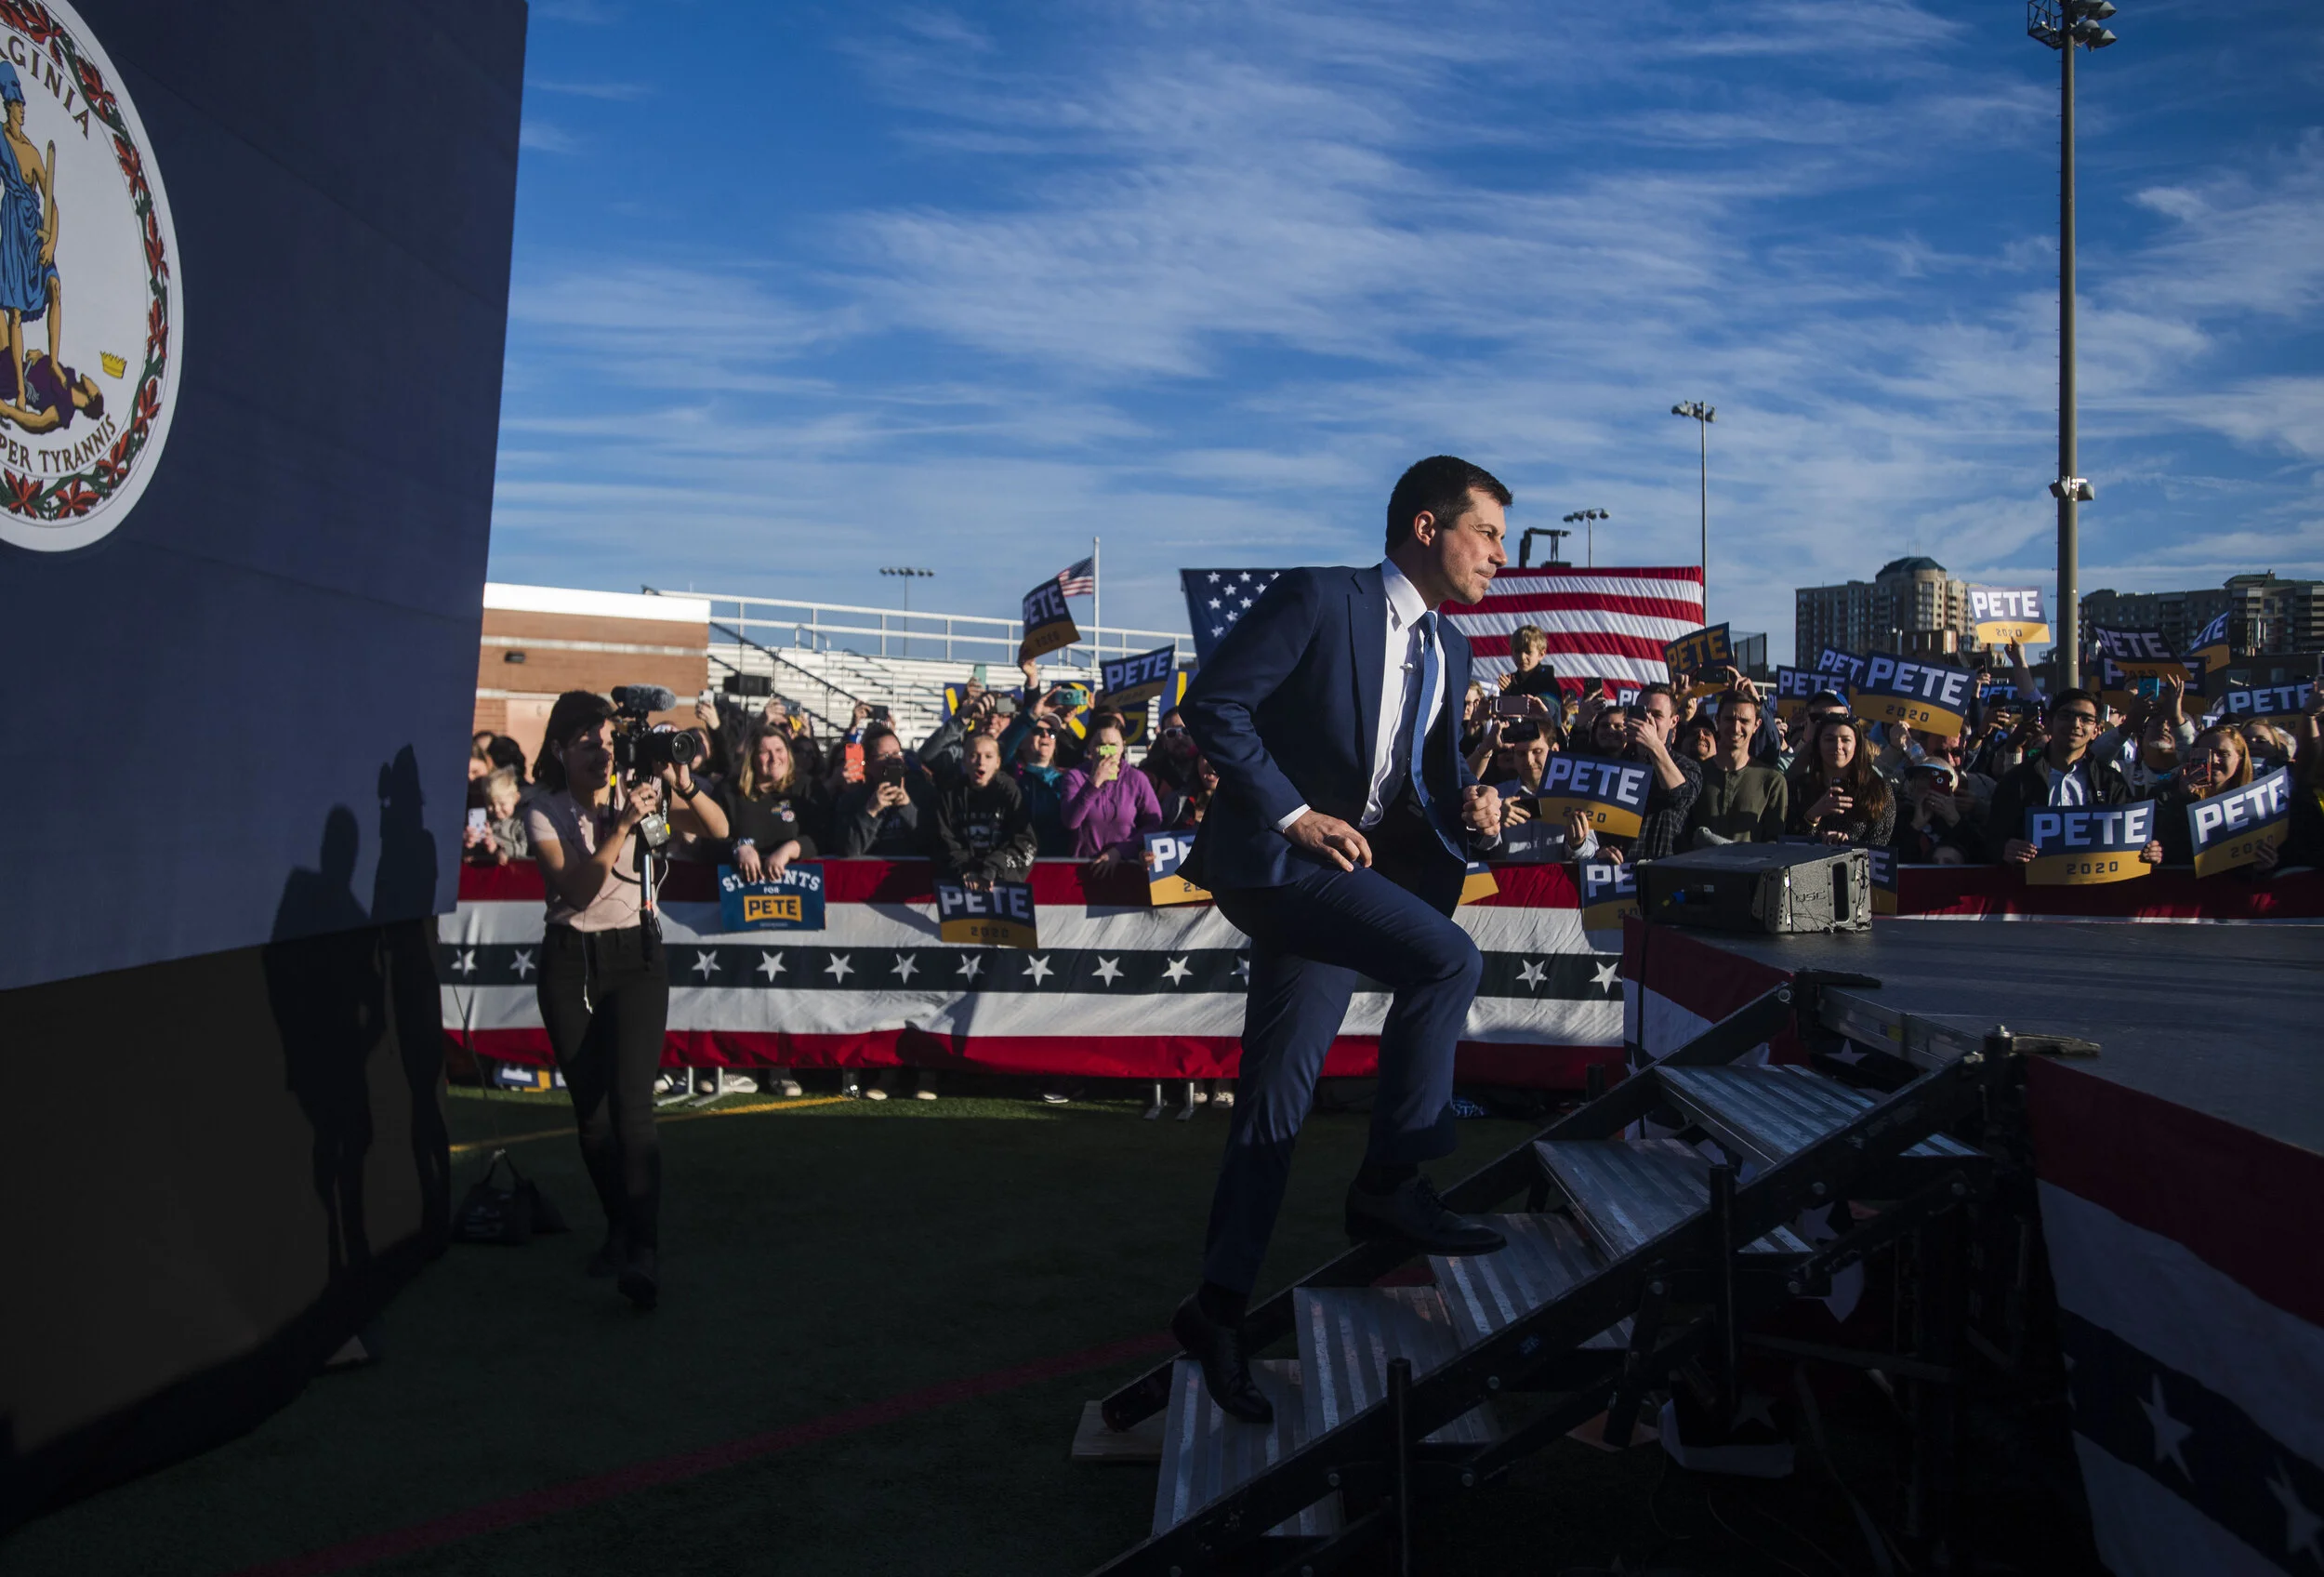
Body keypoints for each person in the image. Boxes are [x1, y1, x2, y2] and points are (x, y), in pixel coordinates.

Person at [1169, 454, 1513, 1424]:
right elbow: (1214, 706)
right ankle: (1393, 1180)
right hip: (1274, 865)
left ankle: (1215, 1310)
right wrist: (1291, 817)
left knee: (1273, 1106)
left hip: (1344, 879)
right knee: (1449, 958)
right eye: (1486, 533)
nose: (1499, 556)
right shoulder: (1322, 598)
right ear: (1424, 528)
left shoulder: (1452, 652)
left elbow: (1420, 795)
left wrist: (1477, 815)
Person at [523, 690, 729, 1310]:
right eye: (585, 742)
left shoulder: (643, 794)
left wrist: (683, 782)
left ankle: (645, 1251)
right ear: (559, 749)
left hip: (637, 956)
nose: (600, 751)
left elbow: (719, 831)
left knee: (633, 1106)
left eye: (607, 741)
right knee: (592, 1114)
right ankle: (620, 1230)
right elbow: (580, 890)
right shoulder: (543, 811)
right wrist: (619, 828)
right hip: (569, 960)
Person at [1988, 689, 2165, 868]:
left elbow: (2132, 839)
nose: (2075, 724)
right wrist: (2004, 848)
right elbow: (1991, 838)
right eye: (2066, 715)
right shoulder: (2017, 780)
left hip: (2098, 891)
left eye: (2086, 719)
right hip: (2034, 890)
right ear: (2048, 724)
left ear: (2096, 731)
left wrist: (2150, 851)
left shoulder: (2111, 781)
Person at [1600, 683, 1698, 864]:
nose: (1647, 720)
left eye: (1657, 715)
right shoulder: (1614, 764)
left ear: (1674, 721)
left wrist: (1653, 745)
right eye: (1641, 712)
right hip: (1616, 874)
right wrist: (1600, 850)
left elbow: (1680, 795)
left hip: (1663, 871)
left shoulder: (1686, 766)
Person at [1685, 688, 1788, 847]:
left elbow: (1773, 843)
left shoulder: (1772, 781)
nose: (1736, 728)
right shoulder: (1696, 774)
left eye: (1744, 721)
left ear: (1756, 725)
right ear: (1717, 721)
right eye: (1729, 719)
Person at [1061, 715, 1163, 870]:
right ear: (1090, 746)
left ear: (1123, 746)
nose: (1107, 752)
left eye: (1113, 745)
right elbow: (1071, 823)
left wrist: (1122, 851)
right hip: (1084, 870)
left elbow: (1154, 823)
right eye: (1100, 745)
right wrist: (1094, 783)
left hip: (1126, 869)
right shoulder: (1075, 777)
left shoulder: (1136, 779)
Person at [1786, 714, 1896, 849]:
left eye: (1845, 740)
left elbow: (1880, 844)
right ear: (1818, 744)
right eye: (1829, 739)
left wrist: (1847, 845)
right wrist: (1812, 817)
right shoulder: (1798, 788)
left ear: (1857, 744)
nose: (1838, 746)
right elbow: (1788, 842)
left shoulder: (1879, 790)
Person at [833, 727, 936, 857]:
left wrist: (906, 806)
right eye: (885, 755)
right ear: (868, 764)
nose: (893, 760)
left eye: (897, 753)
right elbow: (849, 850)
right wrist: (871, 811)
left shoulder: (921, 792)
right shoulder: (852, 800)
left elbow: (933, 843)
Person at [463, 767, 529, 865]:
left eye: (502, 804)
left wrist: (499, 849)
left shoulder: (520, 823)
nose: (496, 809)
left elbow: (525, 848)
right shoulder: (484, 822)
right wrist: (469, 845)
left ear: (516, 798)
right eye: (490, 804)